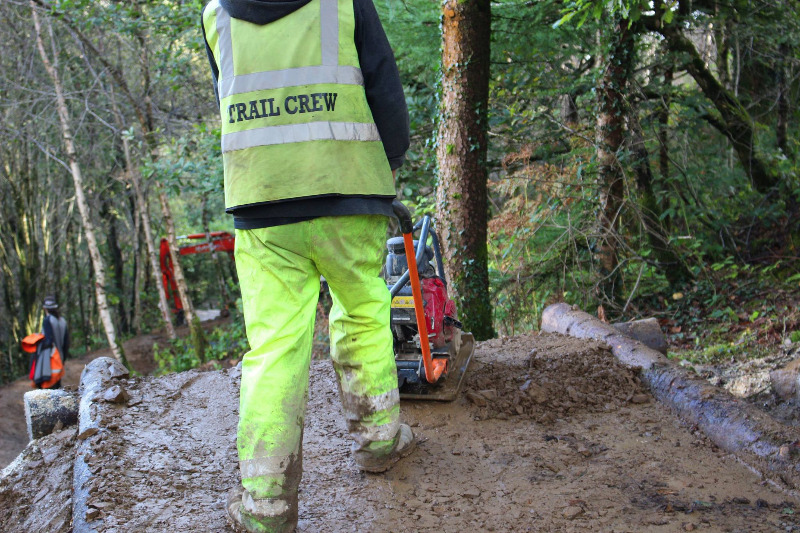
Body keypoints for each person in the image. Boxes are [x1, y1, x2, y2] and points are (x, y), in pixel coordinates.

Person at [200, 0, 414, 531]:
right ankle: (380, 442)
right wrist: (387, 169)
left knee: (273, 346)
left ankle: (266, 506)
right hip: (350, 189)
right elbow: (384, 88)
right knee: (364, 310)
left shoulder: (215, 15)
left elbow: (228, 96)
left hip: (261, 203)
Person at [41, 296, 69, 388]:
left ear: (44, 308)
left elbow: (48, 341)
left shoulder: (47, 320)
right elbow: (66, 343)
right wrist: (63, 358)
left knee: (49, 388)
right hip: (60, 358)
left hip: (50, 359)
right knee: (57, 386)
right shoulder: (63, 321)